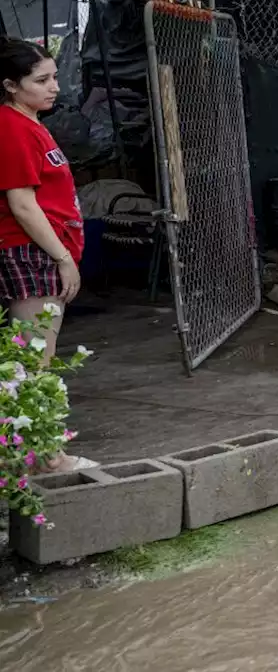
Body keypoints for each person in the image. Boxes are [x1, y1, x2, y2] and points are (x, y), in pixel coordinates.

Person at [0, 38, 96, 472]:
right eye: (42, 80)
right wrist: (62, 257)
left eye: (54, 76)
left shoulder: (30, 122)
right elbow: (21, 203)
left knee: (33, 356)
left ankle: (34, 454)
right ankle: (48, 459)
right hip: (29, 253)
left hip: (39, 250)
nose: (54, 86)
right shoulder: (11, 127)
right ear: (9, 85)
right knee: (34, 359)